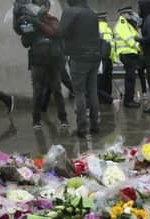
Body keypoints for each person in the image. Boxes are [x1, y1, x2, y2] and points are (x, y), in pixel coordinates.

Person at [14, 0, 67, 128]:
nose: (39, 8)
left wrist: (38, 23)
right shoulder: (29, 21)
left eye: (42, 5)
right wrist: (22, 23)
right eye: (37, 6)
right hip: (37, 61)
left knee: (57, 90)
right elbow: (25, 42)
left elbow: (55, 32)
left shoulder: (52, 19)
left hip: (53, 60)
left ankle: (63, 119)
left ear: (46, 7)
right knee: (37, 91)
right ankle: (36, 120)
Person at [60, 0, 101, 138]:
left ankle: (82, 127)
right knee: (92, 91)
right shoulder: (92, 13)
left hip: (79, 57)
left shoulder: (70, 12)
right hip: (94, 56)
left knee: (79, 93)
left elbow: (61, 32)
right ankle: (95, 125)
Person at [114, 6, 142, 108]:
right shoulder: (122, 25)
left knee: (131, 78)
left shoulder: (127, 25)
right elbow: (129, 40)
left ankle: (130, 99)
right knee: (130, 79)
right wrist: (139, 47)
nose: (131, 15)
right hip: (127, 54)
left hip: (130, 54)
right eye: (129, 14)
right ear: (123, 14)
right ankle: (128, 101)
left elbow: (137, 36)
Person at [97, 11, 115, 105]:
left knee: (102, 79)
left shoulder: (98, 27)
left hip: (102, 57)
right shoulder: (107, 28)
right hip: (107, 57)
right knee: (107, 79)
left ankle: (103, 98)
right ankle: (107, 97)